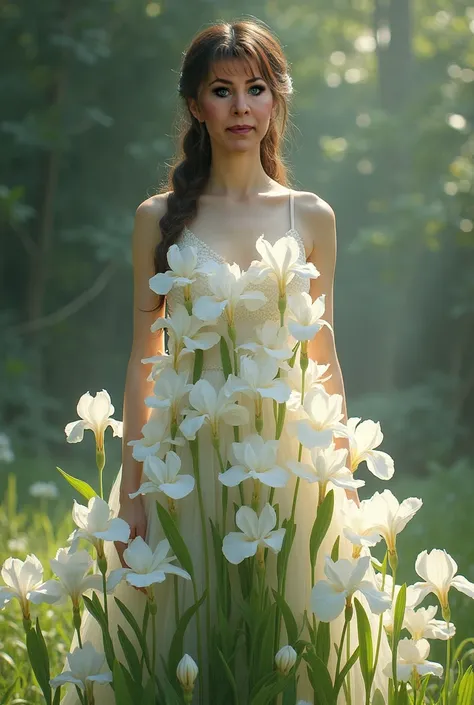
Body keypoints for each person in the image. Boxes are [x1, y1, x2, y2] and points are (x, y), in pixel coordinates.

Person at [62, 18, 392, 704]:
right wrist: (133, 489)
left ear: (276, 102)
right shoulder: (158, 218)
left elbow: (324, 358)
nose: (241, 107)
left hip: (287, 460)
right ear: (195, 103)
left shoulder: (313, 216)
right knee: (183, 646)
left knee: (292, 642)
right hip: (190, 458)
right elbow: (143, 356)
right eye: (222, 89)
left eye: (257, 89)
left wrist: (347, 483)